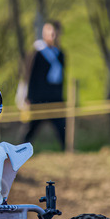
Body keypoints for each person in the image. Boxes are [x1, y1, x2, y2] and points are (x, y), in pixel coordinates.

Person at [17, 20, 66, 149]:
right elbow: (29, 76)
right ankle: (20, 152)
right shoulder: (37, 53)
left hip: (55, 99)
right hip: (38, 99)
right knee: (30, 129)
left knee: (63, 128)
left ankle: (68, 152)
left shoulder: (60, 54)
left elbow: (61, 80)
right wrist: (27, 97)